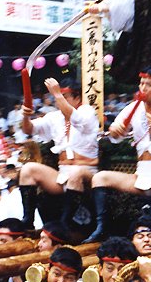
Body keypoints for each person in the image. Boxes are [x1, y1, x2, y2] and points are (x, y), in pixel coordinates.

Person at [89, 67, 151, 240]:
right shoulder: (133, 107)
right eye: (141, 83)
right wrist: (115, 130)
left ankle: (148, 226)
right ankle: (101, 227)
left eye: (148, 85)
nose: (143, 88)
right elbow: (115, 135)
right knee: (100, 177)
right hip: (141, 173)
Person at [19, 78, 99, 230]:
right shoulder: (54, 117)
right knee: (28, 169)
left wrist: (57, 94)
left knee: (76, 173)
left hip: (87, 175)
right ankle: (28, 221)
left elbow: (76, 119)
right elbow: (29, 129)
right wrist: (25, 116)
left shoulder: (87, 112)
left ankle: (64, 224)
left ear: (77, 97)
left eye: (64, 96)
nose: (58, 101)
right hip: (62, 175)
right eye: (57, 97)